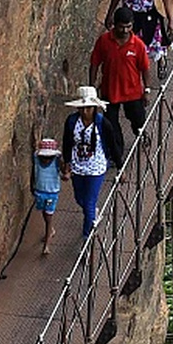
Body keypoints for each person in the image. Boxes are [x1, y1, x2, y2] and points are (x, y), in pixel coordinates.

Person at [60, 86, 122, 236]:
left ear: (95, 107)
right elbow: (67, 142)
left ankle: (87, 238)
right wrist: (67, 162)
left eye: (89, 108)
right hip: (78, 165)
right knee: (79, 198)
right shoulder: (72, 121)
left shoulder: (103, 124)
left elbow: (113, 145)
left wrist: (120, 167)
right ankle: (93, 214)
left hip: (96, 167)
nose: (85, 111)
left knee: (89, 203)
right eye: (82, 108)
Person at [89, 6, 151, 137]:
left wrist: (146, 90)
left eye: (128, 27)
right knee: (111, 125)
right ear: (115, 24)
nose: (125, 30)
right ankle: (117, 153)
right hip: (110, 91)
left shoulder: (138, 45)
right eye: (121, 27)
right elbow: (94, 63)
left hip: (133, 92)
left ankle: (141, 136)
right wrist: (92, 86)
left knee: (138, 120)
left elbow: (145, 68)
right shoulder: (104, 41)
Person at [31, 137, 62, 256]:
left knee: (49, 217)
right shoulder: (36, 158)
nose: (46, 160)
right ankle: (50, 230)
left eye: (49, 157)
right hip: (39, 191)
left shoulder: (57, 161)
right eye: (44, 157)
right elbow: (34, 173)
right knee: (44, 213)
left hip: (52, 193)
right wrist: (32, 186)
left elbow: (64, 170)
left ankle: (46, 245)